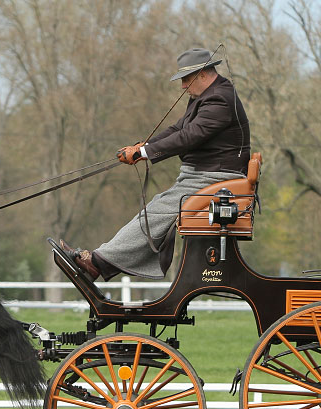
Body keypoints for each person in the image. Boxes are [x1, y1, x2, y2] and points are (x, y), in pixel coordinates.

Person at [61, 47, 250, 280]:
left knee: (156, 213)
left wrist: (144, 151)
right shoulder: (207, 96)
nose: (182, 86)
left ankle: (97, 263)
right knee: (156, 208)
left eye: (186, 79)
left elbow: (189, 136)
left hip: (216, 178)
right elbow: (178, 129)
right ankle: (101, 261)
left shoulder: (219, 99)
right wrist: (144, 147)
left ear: (202, 74)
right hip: (202, 175)